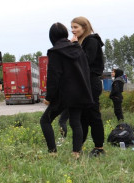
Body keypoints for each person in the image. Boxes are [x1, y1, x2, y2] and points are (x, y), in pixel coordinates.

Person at [40, 23, 94, 158]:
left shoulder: (55, 52)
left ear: (52, 36)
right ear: (65, 34)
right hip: (79, 93)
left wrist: (49, 97)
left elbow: (54, 76)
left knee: (45, 121)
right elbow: (85, 71)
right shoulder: (78, 49)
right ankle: (76, 153)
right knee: (75, 122)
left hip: (63, 94)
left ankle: (52, 152)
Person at [71, 16, 106, 157]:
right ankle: (79, 146)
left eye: (75, 27)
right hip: (84, 83)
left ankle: (99, 148)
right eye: (71, 27)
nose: (73, 30)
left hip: (91, 82)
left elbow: (85, 61)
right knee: (83, 117)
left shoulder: (91, 41)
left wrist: (74, 46)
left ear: (84, 27)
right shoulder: (83, 42)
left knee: (93, 115)